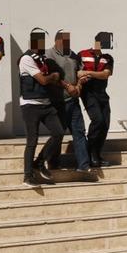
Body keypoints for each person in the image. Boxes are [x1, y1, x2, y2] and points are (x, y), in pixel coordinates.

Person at [20, 30, 65, 186]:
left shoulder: (43, 60)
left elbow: (56, 76)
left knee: (58, 133)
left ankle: (39, 162)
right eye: (38, 42)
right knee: (32, 140)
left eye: (42, 42)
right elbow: (44, 80)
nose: (41, 46)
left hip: (46, 104)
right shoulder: (26, 59)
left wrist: (55, 77)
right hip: (30, 106)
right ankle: (27, 175)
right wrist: (52, 77)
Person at [46, 31, 91, 172]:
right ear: (57, 40)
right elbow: (49, 76)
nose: (68, 44)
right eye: (65, 41)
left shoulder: (74, 55)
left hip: (73, 101)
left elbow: (80, 73)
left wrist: (78, 86)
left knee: (79, 132)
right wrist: (67, 86)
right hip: (57, 101)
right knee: (58, 134)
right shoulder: (48, 55)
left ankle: (84, 166)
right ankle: (53, 163)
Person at [77, 34, 114, 168]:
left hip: (102, 94)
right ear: (98, 42)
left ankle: (97, 154)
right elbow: (77, 72)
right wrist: (81, 75)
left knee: (105, 124)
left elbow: (105, 74)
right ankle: (90, 153)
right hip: (88, 93)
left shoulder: (108, 58)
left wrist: (88, 73)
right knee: (97, 120)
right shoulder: (82, 54)